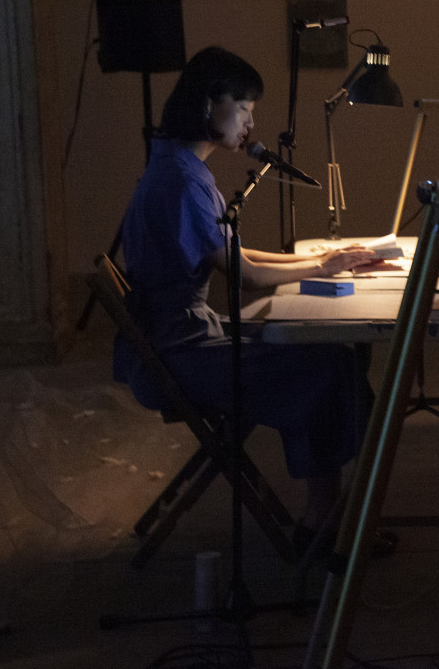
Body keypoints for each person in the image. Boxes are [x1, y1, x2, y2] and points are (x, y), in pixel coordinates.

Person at [111, 46, 389, 556]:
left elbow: (233, 253)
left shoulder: (177, 165)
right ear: (210, 104)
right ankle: (322, 524)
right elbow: (250, 275)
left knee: (319, 352)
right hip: (178, 354)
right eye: (244, 108)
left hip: (178, 338)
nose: (250, 123)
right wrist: (321, 266)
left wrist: (320, 259)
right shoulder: (181, 181)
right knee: (326, 367)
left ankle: (330, 515)